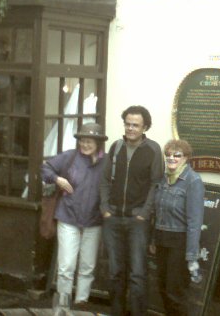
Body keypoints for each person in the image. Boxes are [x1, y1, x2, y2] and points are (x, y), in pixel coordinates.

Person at [99, 105, 163, 316]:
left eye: (135, 125)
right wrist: (105, 208)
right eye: (127, 124)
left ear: (145, 127)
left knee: (137, 273)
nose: (130, 128)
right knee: (115, 271)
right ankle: (117, 312)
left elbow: (156, 184)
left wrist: (144, 213)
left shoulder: (153, 150)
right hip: (114, 218)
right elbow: (105, 180)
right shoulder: (116, 147)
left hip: (137, 220)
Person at [41, 122, 108, 313]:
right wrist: (57, 179)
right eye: (83, 141)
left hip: (94, 221)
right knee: (66, 266)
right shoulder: (70, 157)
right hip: (68, 219)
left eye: (90, 141)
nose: (85, 145)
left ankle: (81, 303)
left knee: (87, 266)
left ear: (98, 143)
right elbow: (45, 168)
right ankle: (62, 304)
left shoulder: (107, 162)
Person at [153, 139, 205, 316]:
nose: (171, 158)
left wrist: (191, 256)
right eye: (168, 155)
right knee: (162, 288)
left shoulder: (193, 181)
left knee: (175, 292)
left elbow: (194, 222)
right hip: (161, 239)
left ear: (186, 158)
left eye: (177, 155)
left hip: (179, 243)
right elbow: (157, 211)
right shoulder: (164, 178)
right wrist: (153, 239)